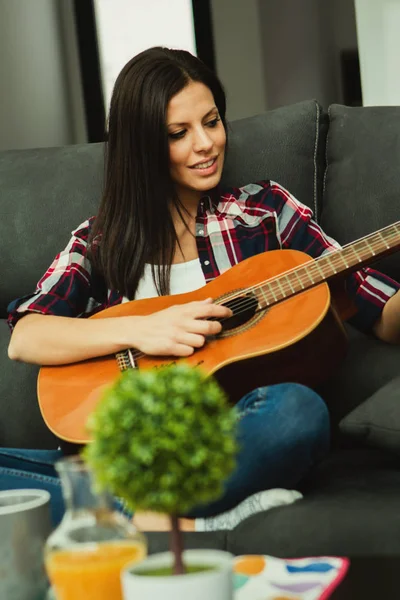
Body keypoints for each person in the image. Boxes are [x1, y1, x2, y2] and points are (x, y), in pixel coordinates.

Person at [3, 47, 400, 531]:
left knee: (297, 411)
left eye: (212, 122)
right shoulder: (100, 239)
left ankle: (119, 517)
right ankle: (185, 521)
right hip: (129, 454)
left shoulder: (264, 212)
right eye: (179, 134)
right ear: (142, 145)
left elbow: (384, 315)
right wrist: (143, 329)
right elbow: (27, 337)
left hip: (233, 437)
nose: (206, 144)